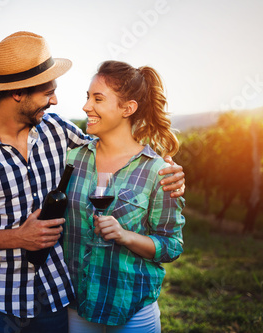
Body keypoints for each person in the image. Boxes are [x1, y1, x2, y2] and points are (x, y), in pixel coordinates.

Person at [0, 32, 185, 333]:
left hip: (54, 301)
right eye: (47, 93)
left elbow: (114, 144)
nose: (55, 100)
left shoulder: (56, 131)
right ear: (18, 93)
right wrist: (18, 237)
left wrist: (167, 169)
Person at [63, 60, 186, 333]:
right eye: (87, 97)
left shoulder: (158, 171)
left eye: (98, 99)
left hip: (131, 307)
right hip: (77, 303)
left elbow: (172, 245)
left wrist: (125, 236)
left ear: (127, 109)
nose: (86, 107)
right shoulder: (72, 159)